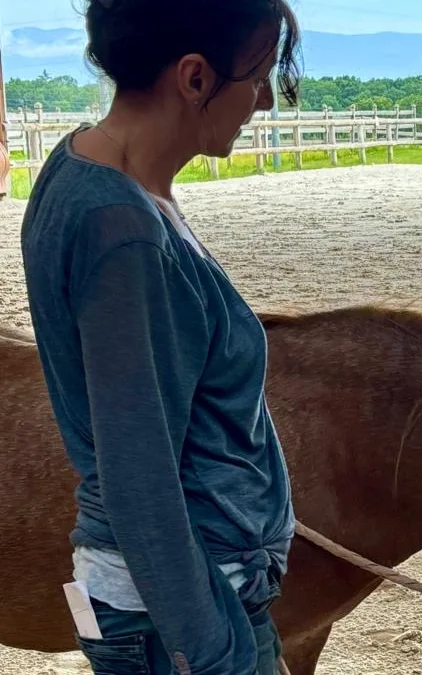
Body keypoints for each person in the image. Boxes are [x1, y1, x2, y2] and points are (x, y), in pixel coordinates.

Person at [20, 1, 302, 673]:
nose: (263, 101)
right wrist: (212, 653)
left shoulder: (97, 172)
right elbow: (138, 479)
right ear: (195, 78)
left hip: (179, 605)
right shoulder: (122, 232)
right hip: (178, 615)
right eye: (257, 76)